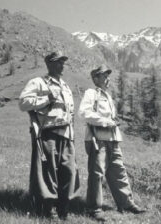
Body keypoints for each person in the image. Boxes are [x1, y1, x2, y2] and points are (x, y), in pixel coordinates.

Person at [79, 65, 147, 221]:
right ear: (95, 78)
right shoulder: (91, 93)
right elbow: (84, 112)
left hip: (113, 139)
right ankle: (94, 209)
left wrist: (113, 122)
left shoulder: (107, 96)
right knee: (97, 174)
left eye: (107, 76)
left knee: (119, 172)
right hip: (97, 139)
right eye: (103, 76)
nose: (107, 78)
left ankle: (126, 204)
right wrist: (104, 121)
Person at [19, 51, 80, 219]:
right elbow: (23, 103)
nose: (62, 65)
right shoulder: (39, 82)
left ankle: (64, 208)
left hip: (66, 135)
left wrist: (72, 136)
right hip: (47, 133)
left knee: (68, 171)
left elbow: (70, 114)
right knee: (47, 172)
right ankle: (48, 208)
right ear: (49, 64)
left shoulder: (66, 86)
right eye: (58, 62)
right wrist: (47, 98)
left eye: (63, 62)